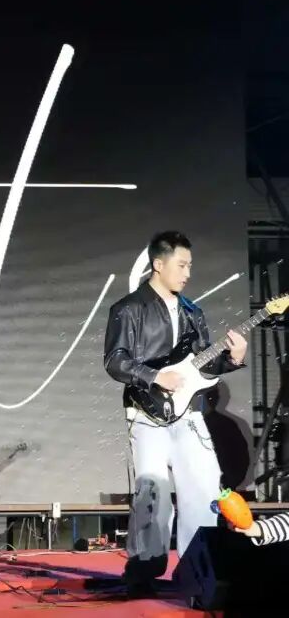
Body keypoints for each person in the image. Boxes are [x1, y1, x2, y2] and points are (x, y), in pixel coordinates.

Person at [103, 231, 247, 597]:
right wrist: (154, 376)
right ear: (158, 264)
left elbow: (203, 367)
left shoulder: (192, 311)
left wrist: (232, 359)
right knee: (152, 493)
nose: (187, 273)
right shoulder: (128, 309)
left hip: (190, 413)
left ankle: (197, 569)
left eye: (190, 266)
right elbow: (115, 361)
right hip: (146, 412)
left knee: (204, 488)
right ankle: (143, 572)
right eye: (181, 265)